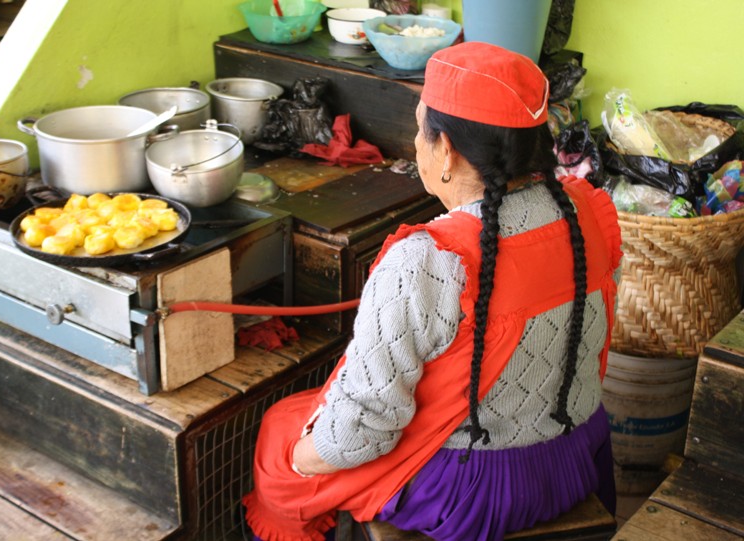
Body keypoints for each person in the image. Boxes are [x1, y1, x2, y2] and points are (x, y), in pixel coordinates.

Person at [243, 41, 622, 541]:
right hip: (577, 455)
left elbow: (361, 432)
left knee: (280, 434)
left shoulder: (429, 260)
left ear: (446, 151)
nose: (415, 141)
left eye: (419, 128)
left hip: (475, 490)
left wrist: (297, 459)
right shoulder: (588, 212)